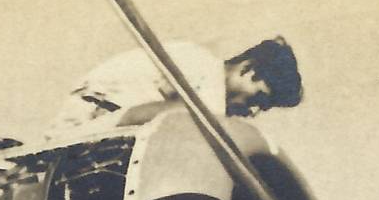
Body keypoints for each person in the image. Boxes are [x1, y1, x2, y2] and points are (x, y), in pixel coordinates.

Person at [45, 36, 303, 141]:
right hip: (84, 128)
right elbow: (145, 115)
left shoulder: (200, 75)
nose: (253, 111)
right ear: (248, 70)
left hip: (99, 125)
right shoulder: (205, 72)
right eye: (258, 98)